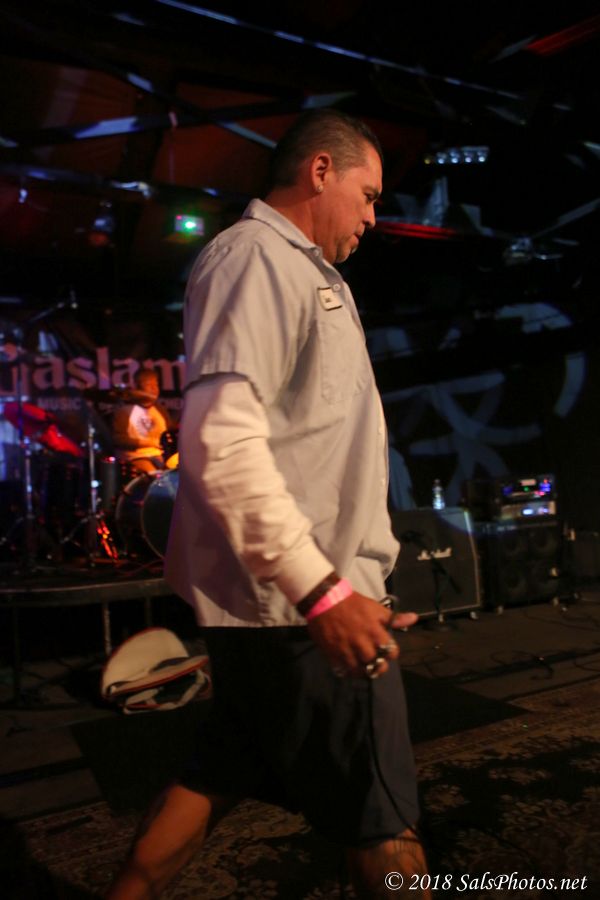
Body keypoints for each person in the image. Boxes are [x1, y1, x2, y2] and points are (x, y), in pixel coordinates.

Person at [107, 108, 431, 899]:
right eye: (368, 195)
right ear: (320, 171)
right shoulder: (257, 257)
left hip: (280, 606)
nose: (373, 217)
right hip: (302, 608)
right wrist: (326, 593)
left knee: (216, 774)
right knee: (385, 827)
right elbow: (222, 444)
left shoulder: (307, 273)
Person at [110, 368, 174, 476]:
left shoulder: (160, 410)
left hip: (158, 455)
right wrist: (149, 443)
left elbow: (170, 435)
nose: (154, 388)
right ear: (137, 387)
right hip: (136, 456)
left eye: (156, 384)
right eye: (149, 385)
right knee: (156, 476)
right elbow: (118, 439)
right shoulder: (125, 411)